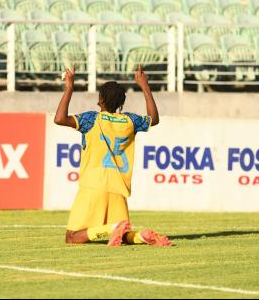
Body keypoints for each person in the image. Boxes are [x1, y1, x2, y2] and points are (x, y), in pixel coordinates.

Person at [54, 64, 171, 247]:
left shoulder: (92, 119)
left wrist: (69, 86)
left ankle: (112, 228)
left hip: (93, 185)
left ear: (100, 101)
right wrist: (144, 85)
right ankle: (142, 237)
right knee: (123, 235)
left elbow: (60, 118)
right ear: (121, 103)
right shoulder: (129, 121)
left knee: (72, 237)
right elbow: (153, 119)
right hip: (118, 187)